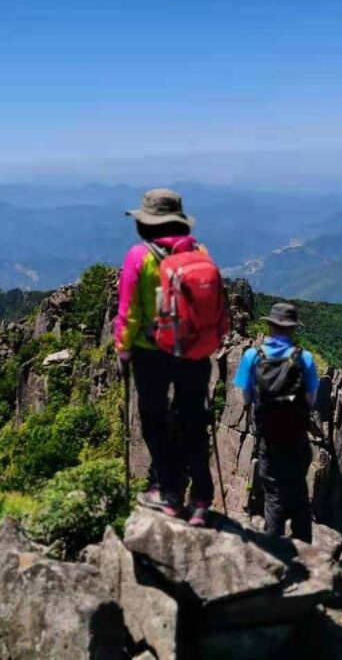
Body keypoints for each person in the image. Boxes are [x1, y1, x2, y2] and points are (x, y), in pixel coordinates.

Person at [115, 188, 222, 527]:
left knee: (155, 421)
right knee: (193, 419)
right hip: (194, 350)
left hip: (152, 353)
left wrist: (123, 347)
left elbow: (129, 311)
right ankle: (202, 498)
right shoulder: (199, 252)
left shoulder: (139, 256)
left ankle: (169, 493)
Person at [233, 303, 322, 543]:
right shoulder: (304, 358)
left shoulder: (252, 356)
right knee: (298, 491)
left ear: (270, 326)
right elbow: (311, 399)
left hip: (268, 439)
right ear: (293, 329)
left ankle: (274, 548)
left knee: (273, 495)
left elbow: (247, 397)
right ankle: (304, 546)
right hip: (296, 438)